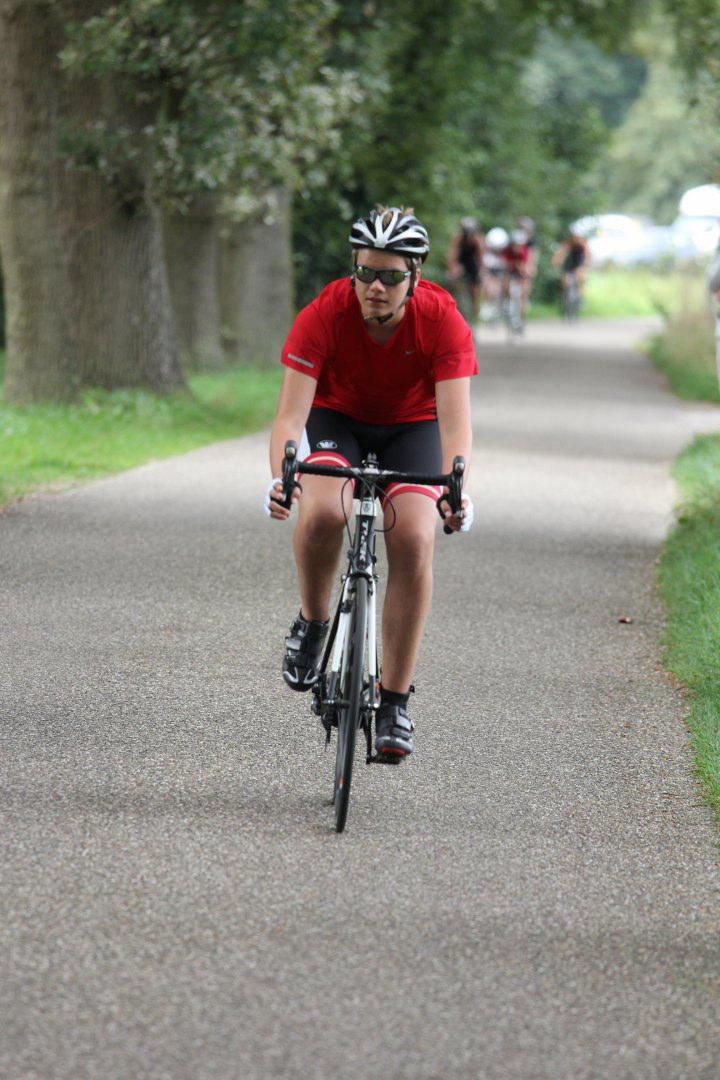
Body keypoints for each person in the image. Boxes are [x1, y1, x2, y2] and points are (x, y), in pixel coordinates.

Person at [265, 206, 476, 762]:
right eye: (365, 273)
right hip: (337, 422)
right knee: (324, 512)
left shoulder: (442, 320)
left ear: (416, 277)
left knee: (413, 538)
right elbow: (290, 420)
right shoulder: (324, 313)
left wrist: (455, 491)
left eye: (390, 276)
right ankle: (313, 623)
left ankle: (394, 704)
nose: (375, 287)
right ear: (353, 269)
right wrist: (283, 480)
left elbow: (455, 426)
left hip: (413, 426)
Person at [446, 217, 485, 323]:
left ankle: (474, 316)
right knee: (453, 281)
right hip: (462, 262)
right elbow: (452, 256)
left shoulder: (478, 240)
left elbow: (481, 258)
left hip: (473, 264)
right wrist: (452, 270)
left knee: (475, 293)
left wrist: (481, 272)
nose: (469, 236)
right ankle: (456, 306)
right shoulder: (459, 238)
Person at [500, 229, 532, 323]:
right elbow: (504, 265)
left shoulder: (525, 252)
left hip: (521, 274)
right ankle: (505, 302)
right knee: (505, 284)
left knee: (524, 292)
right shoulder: (507, 251)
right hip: (509, 273)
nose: (517, 247)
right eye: (515, 245)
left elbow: (526, 267)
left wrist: (523, 269)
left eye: (519, 245)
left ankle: (522, 318)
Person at [552, 228, 591, 304]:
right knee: (565, 281)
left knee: (580, 278)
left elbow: (588, 255)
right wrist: (556, 261)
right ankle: (565, 297)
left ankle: (581, 299)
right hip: (569, 265)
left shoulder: (583, 244)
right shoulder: (568, 243)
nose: (577, 239)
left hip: (579, 264)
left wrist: (586, 266)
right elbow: (560, 253)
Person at [480, 227, 509, 320]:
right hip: (490, 273)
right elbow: (485, 269)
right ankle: (487, 303)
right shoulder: (486, 254)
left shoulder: (505, 254)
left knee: (506, 282)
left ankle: (505, 302)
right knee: (486, 283)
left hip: (501, 274)